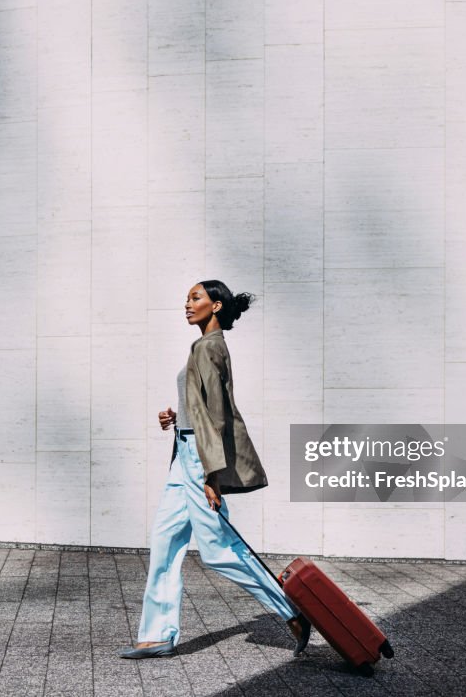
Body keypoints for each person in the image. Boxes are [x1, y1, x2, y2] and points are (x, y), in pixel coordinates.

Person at [119, 280, 311, 659]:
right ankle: (157, 635)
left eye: (196, 298)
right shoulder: (205, 347)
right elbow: (201, 406)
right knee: (165, 541)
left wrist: (212, 475)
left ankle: (291, 611)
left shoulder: (209, 348)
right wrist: (176, 416)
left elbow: (217, 417)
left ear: (217, 305)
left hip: (199, 460)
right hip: (187, 453)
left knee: (219, 548)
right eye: (186, 299)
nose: (187, 305)